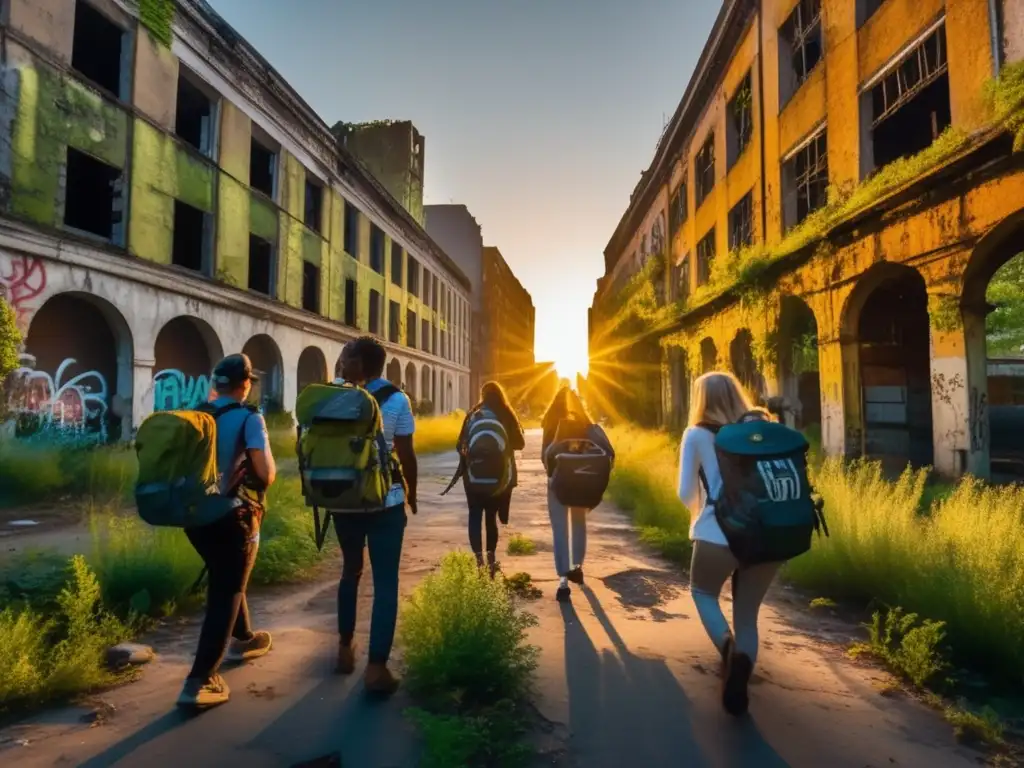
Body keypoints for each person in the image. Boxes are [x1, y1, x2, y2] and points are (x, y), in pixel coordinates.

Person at [677, 371, 780, 717]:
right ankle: (741, 673)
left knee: (703, 593)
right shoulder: (762, 431)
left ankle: (727, 647)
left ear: (701, 399)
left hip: (717, 532)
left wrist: (699, 506)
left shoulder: (697, 435)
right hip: (767, 535)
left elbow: (684, 493)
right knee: (748, 615)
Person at [177, 353, 277, 709]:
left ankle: (245, 639)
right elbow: (265, 475)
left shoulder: (195, 415)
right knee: (228, 588)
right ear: (246, 384)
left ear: (215, 383)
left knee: (226, 571)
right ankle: (200, 680)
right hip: (229, 515)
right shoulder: (249, 417)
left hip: (191, 516)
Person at [332, 336, 417, 695]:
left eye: (346, 355)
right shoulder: (397, 399)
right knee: (385, 583)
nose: (340, 359)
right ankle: (376, 668)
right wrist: (412, 493)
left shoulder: (330, 397)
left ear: (359, 364)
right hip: (385, 501)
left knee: (350, 571)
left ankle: (343, 649)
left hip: (342, 500)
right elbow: (406, 452)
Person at [458, 381, 526, 576]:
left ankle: (478, 561)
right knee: (490, 517)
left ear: (482, 395)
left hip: (473, 476)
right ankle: (491, 559)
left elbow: (459, 445)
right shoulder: (506, 413)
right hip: (499, 476)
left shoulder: (473, 414)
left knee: (474, 514)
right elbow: (520, 444)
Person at [541, 385, 591, 602]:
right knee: (579, 523)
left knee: (560, 530)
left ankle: (563, 580)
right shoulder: (584, 422)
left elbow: (545, 455)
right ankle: (577, 567)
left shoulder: (551, 423)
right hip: (580, 481)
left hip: (557, 482)